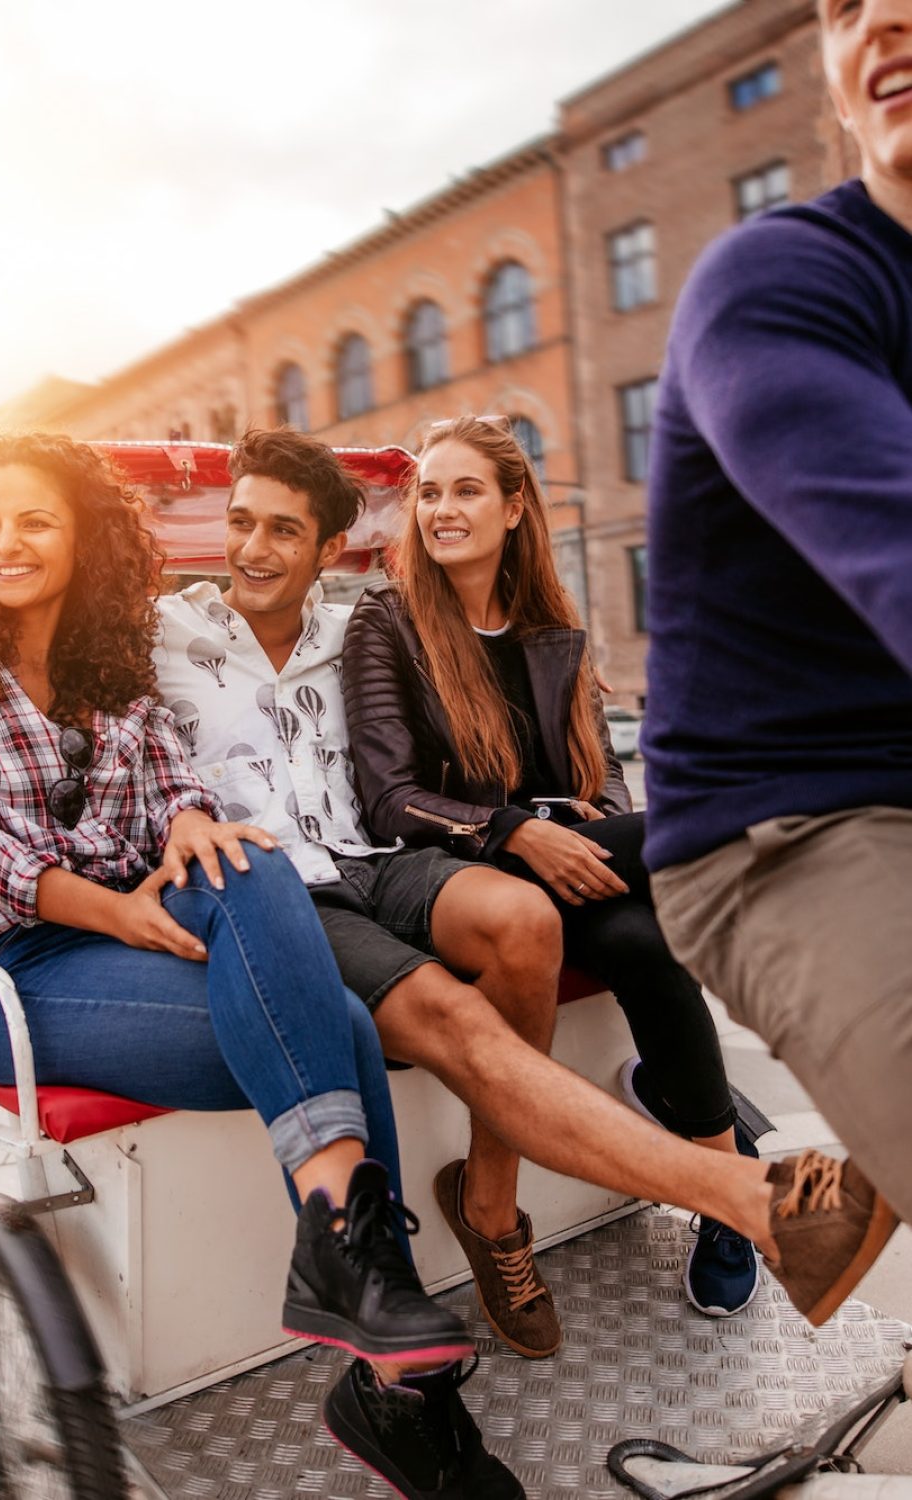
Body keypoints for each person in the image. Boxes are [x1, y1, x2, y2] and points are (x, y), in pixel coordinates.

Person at [155, 427, 892, 1385]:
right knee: (556, 941)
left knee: (599, 931)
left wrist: (576, 821)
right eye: (240, 523)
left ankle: (635, 1167)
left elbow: (594, 766)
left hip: (404, 864)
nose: (253, 548)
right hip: (327, 877)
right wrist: (174, 819)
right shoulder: (184, 634)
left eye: (283, 531)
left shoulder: (377, 627)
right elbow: (117, 735)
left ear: (328, 548)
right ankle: (712, 1190)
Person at [0, 433, 498, 1491]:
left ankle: (345, 1261)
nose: (8, 542)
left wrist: (184, 821)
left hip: (141, 926)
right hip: (16, 971)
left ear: (80, 535)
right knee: (336, 1026)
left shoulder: (113, 671)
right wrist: (115, 912)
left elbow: (174, 783)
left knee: (249, 858)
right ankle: (393, 1381)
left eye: (35, 519)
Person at [344, 415, 775, 1311]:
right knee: (712, 827)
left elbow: (604, 780)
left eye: (466, 491)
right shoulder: (386, 619)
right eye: (428, 492)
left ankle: (722, 1188)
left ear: (513, 509)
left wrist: (591, 834)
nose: (442, 510)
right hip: (450, 864)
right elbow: (389, 795)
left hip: (560, 860)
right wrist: (513, 831)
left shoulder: (550, 625)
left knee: (644, 943)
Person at [641, 0, 912, 1240]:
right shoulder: (778, 280)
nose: (885, 16)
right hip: (794, 827)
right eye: (846, 2)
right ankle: (752, 1199)